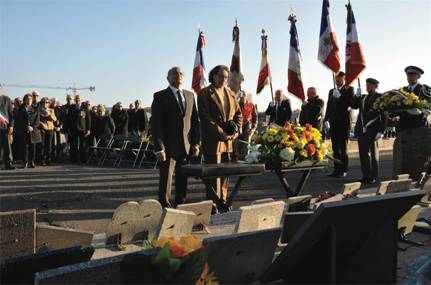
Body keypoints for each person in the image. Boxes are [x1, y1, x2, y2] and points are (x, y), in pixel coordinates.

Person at [151, 66, 200, 208]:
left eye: (180, 74)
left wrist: (196, 143)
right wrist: (159, 148)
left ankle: (180, 204)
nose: (178, 76)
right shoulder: (160, 96)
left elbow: (195, 122)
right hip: (167, 146)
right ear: (168, 78)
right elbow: (156, 124)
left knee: (182, 176)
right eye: (174, 74)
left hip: (185, 145)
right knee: (166, 177)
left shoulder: (190, 95)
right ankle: (164, 205)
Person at [198, 65, 242, 212]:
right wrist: (220, 133)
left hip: (228, 142)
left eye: (225, 77)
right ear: (213, 76)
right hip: (213, 141)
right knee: (213, 176)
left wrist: (236, 132)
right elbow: (205, 117)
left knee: (225, 175)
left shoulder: (231, 94)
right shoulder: (204, 93)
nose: (223, 79)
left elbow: (239, 115)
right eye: (221, 76)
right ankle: (212, 206)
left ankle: (223, 203)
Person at [351, 78, 387, 184]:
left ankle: (374, 176)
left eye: (370, 85)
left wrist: (382, 130)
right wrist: (356, 96)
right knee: (363, 153)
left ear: (375, 86)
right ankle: (366, 175)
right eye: (367, 85)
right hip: (361, 129)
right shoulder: (363, 97)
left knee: (373, 153)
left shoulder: (380, 97)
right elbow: (353, 106)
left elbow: (384, 114)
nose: (367, 87)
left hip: (373, 129)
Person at [324, 71, 354, 178]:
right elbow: (329, 105)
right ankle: (336, 169)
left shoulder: (349, 89)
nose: (337, 80)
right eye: (336, 78)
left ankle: (344, 169)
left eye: (339, 78)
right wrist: (326, 119)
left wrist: (340, 97)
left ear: (344, 79)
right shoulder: (331, 91)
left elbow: (351, 103)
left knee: (343, 148)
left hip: (344, 122)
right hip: (333, 122)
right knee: (335, 149)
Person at [14, 93, 41, 168]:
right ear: (24, 100)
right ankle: (25, 162)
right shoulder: (20, 109)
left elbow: (37, 120)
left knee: (33, 147)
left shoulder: (35, 108)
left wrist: (32, 127)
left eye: (31, 99)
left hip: (33, 131)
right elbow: (18, 120)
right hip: (24, 130)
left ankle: (31, 161)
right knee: (24, 147)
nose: (29, 100)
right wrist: (26, 127)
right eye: (28, 99)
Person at [399, 66, 429, 131]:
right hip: (403, 126)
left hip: (419, 125)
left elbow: (428, 106)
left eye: (412, 74)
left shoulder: (424, 89)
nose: (409, 77)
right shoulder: (402, 90)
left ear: (418, 76)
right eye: (408, 75)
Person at [68, 94, 91, 163]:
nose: (78, 99)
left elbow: (88, 119)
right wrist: (68, 128)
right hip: (73, 129)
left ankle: (83, 159)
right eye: (76, 98)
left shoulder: (85, 107)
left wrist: (88, 129)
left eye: (79, 98)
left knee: (83, 145)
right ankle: (73, 159)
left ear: (81, 99)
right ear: (75, 100)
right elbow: (68, 118)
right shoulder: (71, 107)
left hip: (82, 129)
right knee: (73, 145)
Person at [235, 91, 257, 160]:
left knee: (247, 142)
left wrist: (254, 127)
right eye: (241, 95)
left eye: (244, 95)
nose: (242, 96)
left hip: (248, 125)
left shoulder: (251, 104)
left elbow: (255, 116)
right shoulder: (237, 104)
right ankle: (236, 157)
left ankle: (246, 157)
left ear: (246, 96)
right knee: (237, 143)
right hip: (238, 125)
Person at [39, 97, 57, 165]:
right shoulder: (39, 110)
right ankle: (42, 160)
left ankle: (48, 160)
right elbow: (37, 119)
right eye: (43, 102)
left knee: (49, 145)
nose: (45, 104)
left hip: (50, 128)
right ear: (41, 103)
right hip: (42, 128)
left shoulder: (51, 110)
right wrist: (41, 125)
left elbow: (55, 119)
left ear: (48, 103)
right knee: (42, 144)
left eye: (46, 102)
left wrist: (49, 115)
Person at [0, 84, 15, 170]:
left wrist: (11, 126)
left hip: (4, 127)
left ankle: (8, 162)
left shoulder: (7, 99)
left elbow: (11, 114)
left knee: (7, 146)